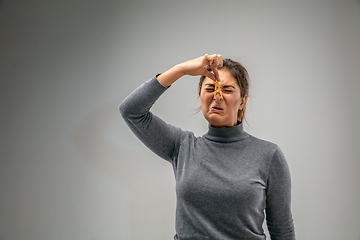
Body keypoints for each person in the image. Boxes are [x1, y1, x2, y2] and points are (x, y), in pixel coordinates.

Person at [119, 54, 295, 240]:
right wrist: (182, 70)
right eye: (210, 88)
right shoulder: (182, 146)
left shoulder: (268, 155)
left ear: (242, 101)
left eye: (227, 90)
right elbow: (131, 110)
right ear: (200, 96)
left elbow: (282, 230)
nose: (217, 96)